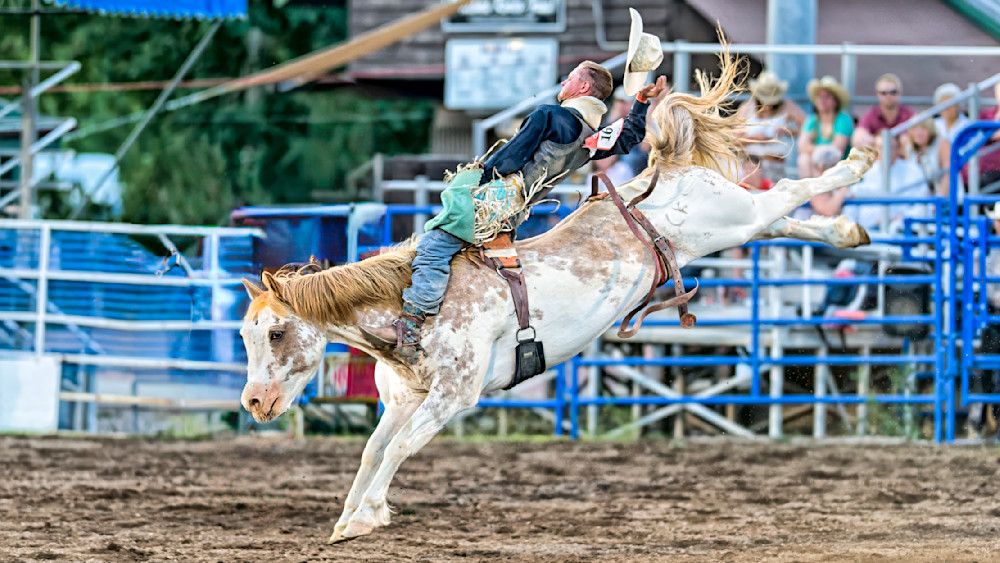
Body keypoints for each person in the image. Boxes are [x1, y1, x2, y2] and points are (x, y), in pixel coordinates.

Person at [371, 9, 668, 359]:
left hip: (495, 202)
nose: (563, 83)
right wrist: (642, 102)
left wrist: (475, 182)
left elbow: (509, 159)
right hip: (517, 212)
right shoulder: (593, 135)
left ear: (583, 87)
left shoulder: (549, 115)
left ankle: (411, 327)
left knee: (433, 247)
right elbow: (630, 135)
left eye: (569, 78)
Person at [736, 70, 806, 183]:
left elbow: (807, 128)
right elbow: (735, 139)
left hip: (775, 164)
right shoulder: (747, 107)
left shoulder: (787, 106)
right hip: (751, 164)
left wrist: (788, 132)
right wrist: (755, 139)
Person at [972, 203, 1000, 438]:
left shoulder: (986, 249)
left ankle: (988, 421)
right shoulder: (986, 249)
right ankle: (981, 418)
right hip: (992, 316)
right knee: (987, 370)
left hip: (992, 314)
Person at [797, 76, 854, 179]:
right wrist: (821, 150)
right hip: (816, 168)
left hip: (838, 169)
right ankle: (810, 192)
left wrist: (816, 151)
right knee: (804, 159)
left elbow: (837, 151)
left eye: (827, 97)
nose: (822, 100)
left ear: (835, 101)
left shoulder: (842, 120)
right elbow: (802, 146)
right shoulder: (811, 120)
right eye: (819, 97)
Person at [853, 73, 915, 147]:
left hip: (903, 157)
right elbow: (858, 139)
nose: (888, 96)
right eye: (883, 93)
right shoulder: (872, 115)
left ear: (900, 93)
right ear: (878, 95)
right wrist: (880, 141)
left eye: (893, 92)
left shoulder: (909, 115)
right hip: (878, 156)